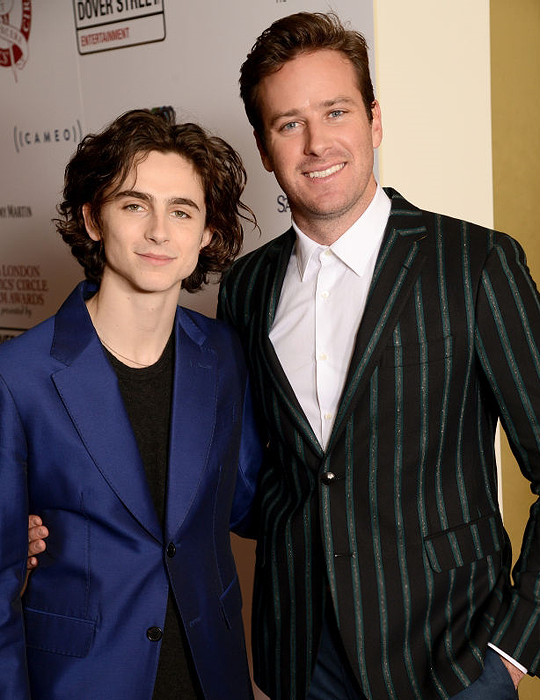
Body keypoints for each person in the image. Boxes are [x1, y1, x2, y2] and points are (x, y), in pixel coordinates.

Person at [217, 11, 540, 700]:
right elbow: (246, 471)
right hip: (302, 661)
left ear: (375, 120)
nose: (316, 144)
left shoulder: (475, 263)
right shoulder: (245, 287)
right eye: (289, 123)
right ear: (265, 147)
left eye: (335, 112)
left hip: (451, 658)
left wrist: (512, 650)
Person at [0, 107, 261, 700]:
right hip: (81, 682)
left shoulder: (224, 354)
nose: (159, 232)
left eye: (182, 211)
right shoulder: (17, 377)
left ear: (207, 232)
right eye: (135, 205)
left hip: (212, 678)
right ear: (94, 219)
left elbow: (249, 505)